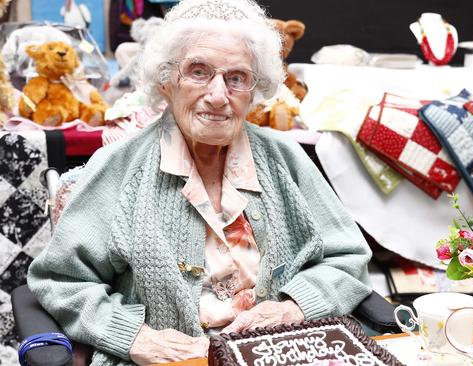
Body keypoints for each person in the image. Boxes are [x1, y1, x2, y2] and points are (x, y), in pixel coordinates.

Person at [26, 0, 373, 364]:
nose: (219, 95)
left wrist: (292, 307)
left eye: (236, 78)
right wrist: (133, 337)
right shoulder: (120, 166)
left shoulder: (284, 158)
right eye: (198, 72)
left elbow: (347, 256)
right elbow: (60, 280)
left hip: (280, 352)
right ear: (167, 80)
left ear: (255, 89)